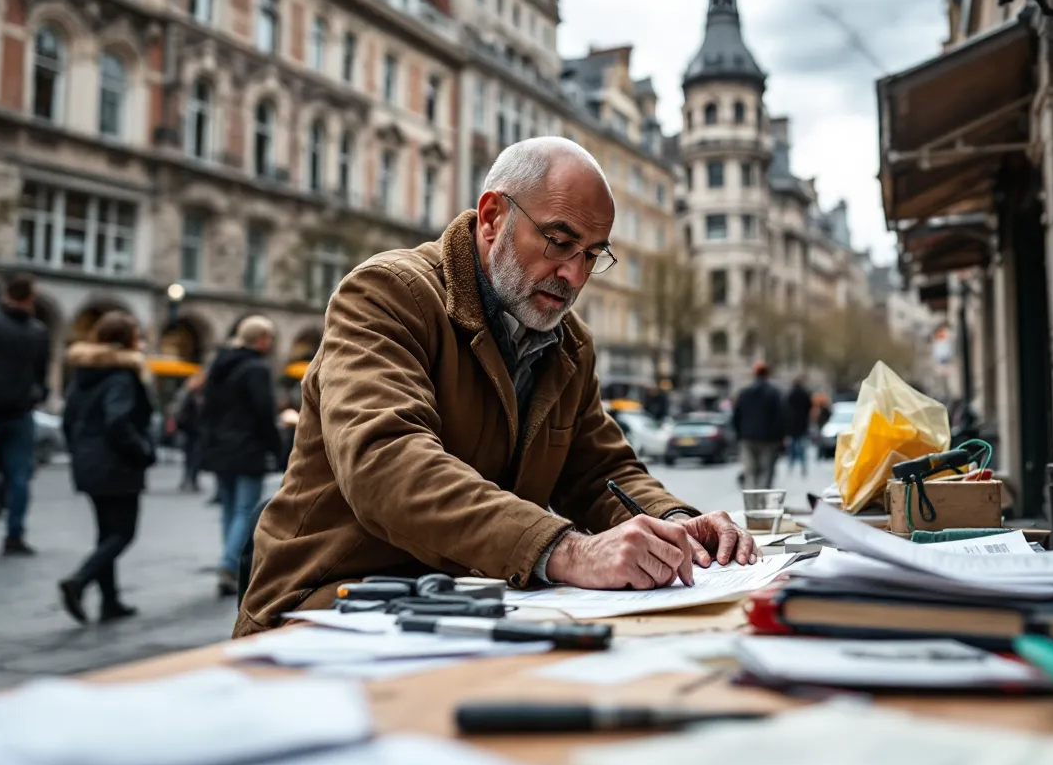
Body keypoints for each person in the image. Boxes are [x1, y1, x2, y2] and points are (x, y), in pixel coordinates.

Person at [234, 137, 758, 637]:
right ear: (491, 218)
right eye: (559, 241)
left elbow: (602, 472)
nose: (574, 274)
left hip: (460, 608)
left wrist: (676, 525)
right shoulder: (387, 292)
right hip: (326, 608)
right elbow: (385, 461)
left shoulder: (570, 343)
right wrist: (568, 550)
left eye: (593, 254)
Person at [57, 311, 155, 623]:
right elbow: (117, 421)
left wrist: (80, 451)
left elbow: (67, 420)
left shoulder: (83, 374)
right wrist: (142, 451)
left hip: (89, 460)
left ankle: (110, 602)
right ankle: (79, 581)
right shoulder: (122, 376)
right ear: (127, 339)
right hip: (118, 463)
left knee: (106, 533)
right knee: (123, 533)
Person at [201, 316, 282, 598]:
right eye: (269, 338)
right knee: (244, 510)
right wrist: (277, 448)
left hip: (219, 447)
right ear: (260, 339)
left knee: (229, 508)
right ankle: (229, 565)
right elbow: (264, 413)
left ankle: (230, 563)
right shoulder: (257, 369)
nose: (270, 343)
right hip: (248, 447)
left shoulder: (218, 366)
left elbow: (207, 409)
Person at [0, 273, 50, 554]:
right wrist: (36, 396)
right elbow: (42, 374)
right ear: (29, 297)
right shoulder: (37, 330)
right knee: (19, 476)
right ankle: (14, 534)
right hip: (19, 411)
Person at [731, 362, 786, 490]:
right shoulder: (774, 393)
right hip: (769, 439)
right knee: (766, 472)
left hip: (748, 438)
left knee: (750, 471)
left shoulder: (744, 392)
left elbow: (736, 416)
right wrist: (780, 437)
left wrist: (739, 435)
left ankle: (752, 500)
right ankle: (763, 500)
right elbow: (781, 417)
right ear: (767, 374)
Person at [174, 372, 205, 493]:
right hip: (190, 429)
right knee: (191, 456)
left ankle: (190, 479)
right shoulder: (189, 395)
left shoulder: (192, 394)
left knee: (193, 456)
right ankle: (189, 479)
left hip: (193, 430)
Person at [784, 376, 814, 476]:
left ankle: (790, 466)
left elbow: (785, 408)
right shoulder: (805, 394)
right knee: (802, 447)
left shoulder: (790, 395)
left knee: (792, 447)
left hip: (791, 426)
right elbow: (809, 408)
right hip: (802, 425)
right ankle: (803, 466)